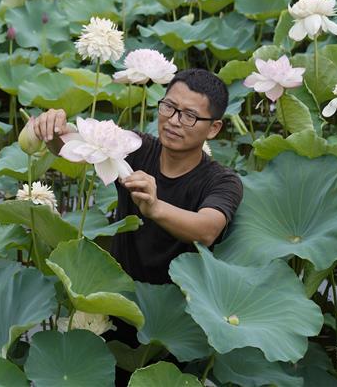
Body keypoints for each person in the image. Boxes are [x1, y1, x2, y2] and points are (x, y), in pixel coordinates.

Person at [28, 68, 243, 383]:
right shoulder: (136, 149)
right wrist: (53, 128)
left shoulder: (222, 181)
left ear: (214, 129)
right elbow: (73, 146)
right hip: (119, 305)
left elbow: (207, 228)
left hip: (177, 324)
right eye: (168, 107)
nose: (172, 120)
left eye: (189, 116)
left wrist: (155, 207)